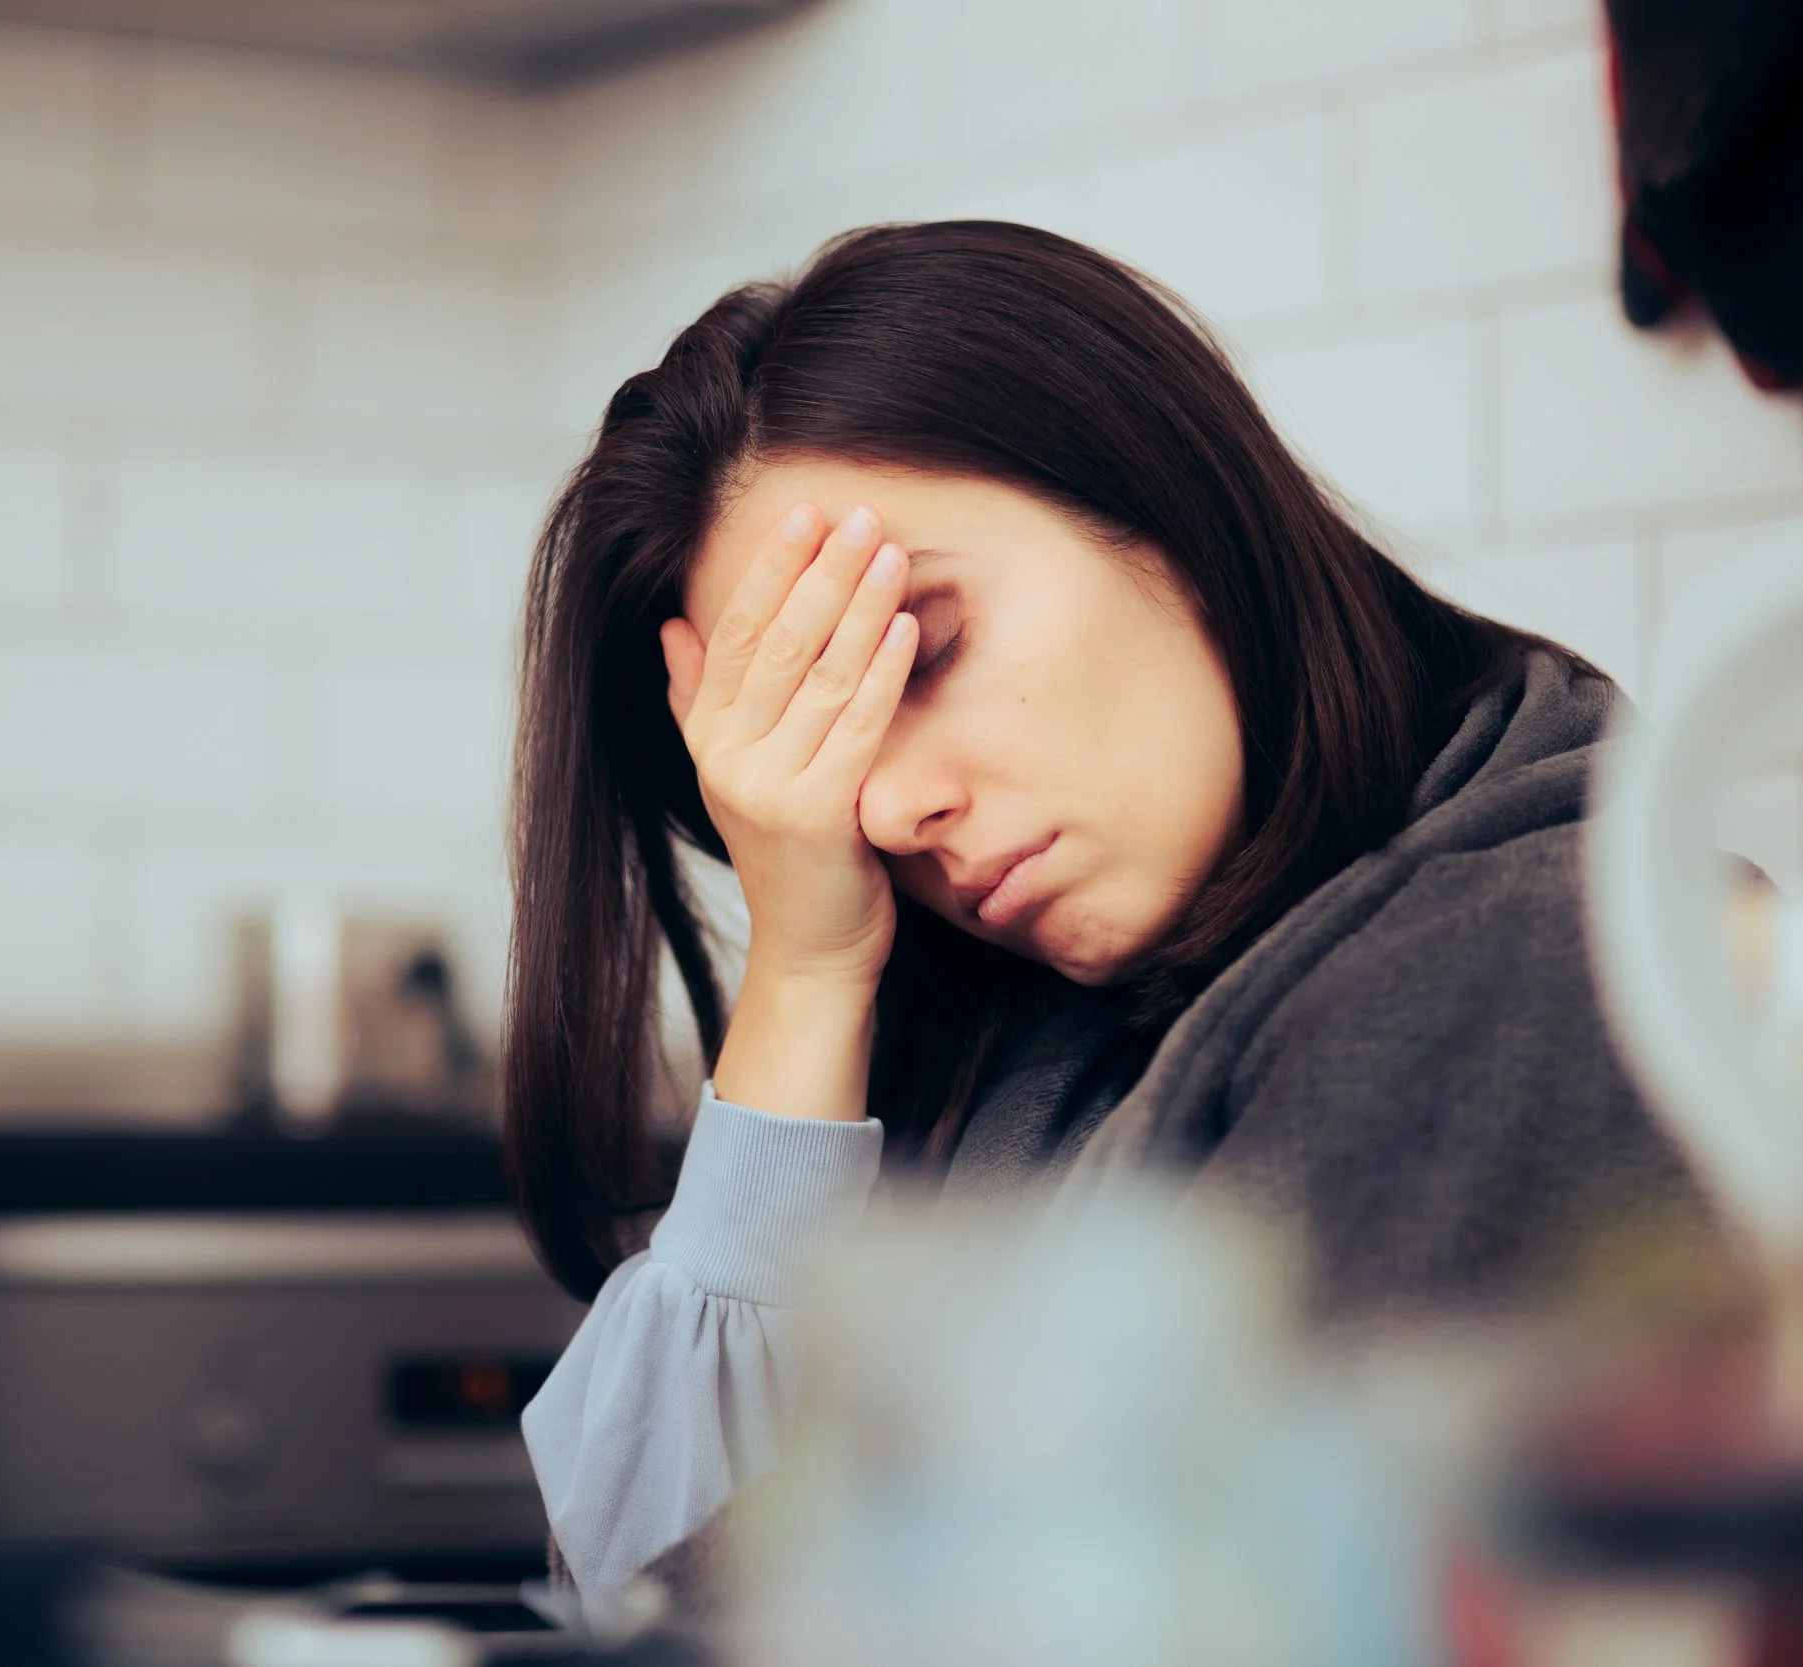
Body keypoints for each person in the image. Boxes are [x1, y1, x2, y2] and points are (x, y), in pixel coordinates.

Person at [501, 221, 1726, 1613]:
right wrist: (805, 969)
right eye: (818, 752)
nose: (888, 815)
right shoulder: (1030, 1035)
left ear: (1167, 510)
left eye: (931, 647)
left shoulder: (1529, 960)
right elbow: (641, 1594)